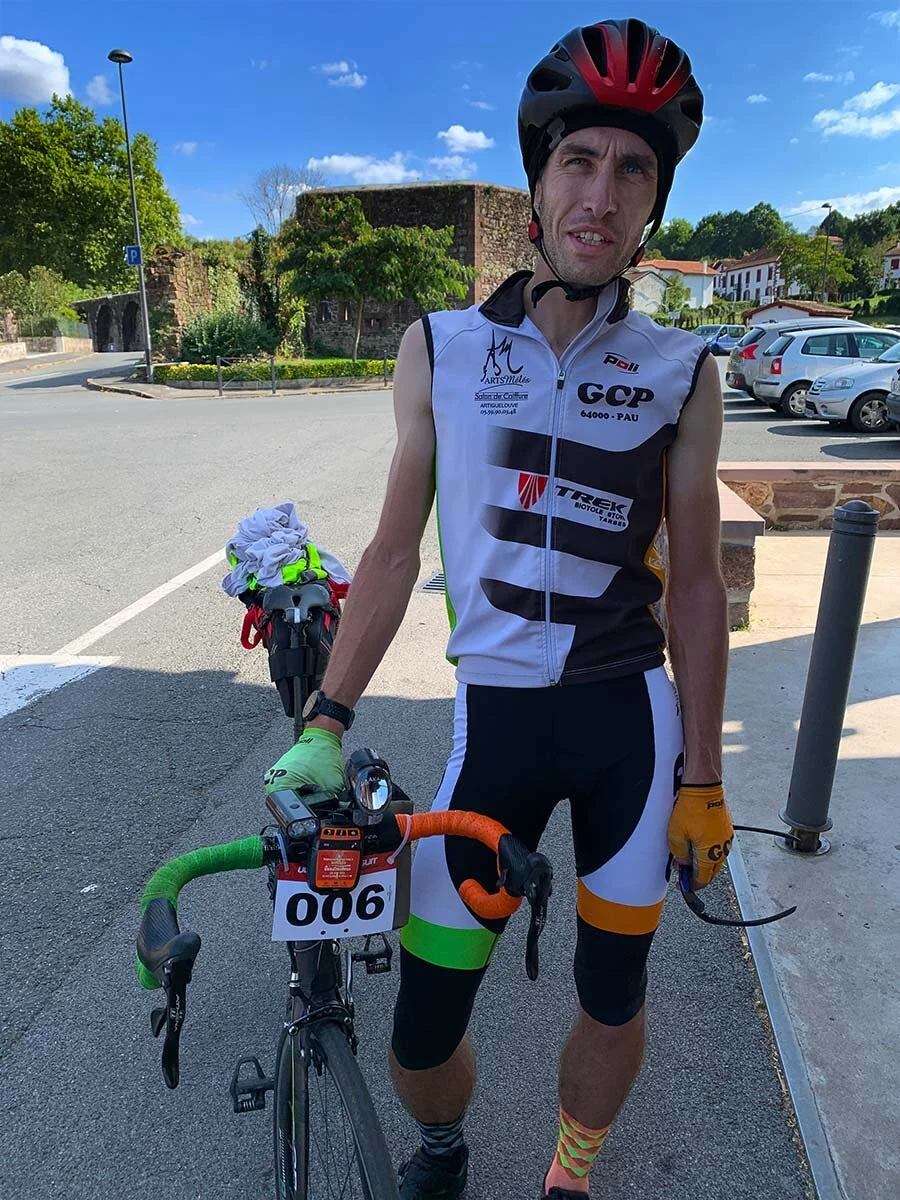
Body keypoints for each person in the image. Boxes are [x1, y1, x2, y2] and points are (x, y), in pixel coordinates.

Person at [264, 17, 734, 1199]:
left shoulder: (683, 371)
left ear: (655, 204)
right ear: (537, 180)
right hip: (497, 728)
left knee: (612, 993)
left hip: (630, 724)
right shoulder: (441, 348)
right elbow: (389, 552)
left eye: (634, 171)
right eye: (580, 160)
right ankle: (442, 1141)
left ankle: (571, 1174)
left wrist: (706, 776)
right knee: (421, 1031)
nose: (602, 195)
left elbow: (694, 591)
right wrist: (326, 718)